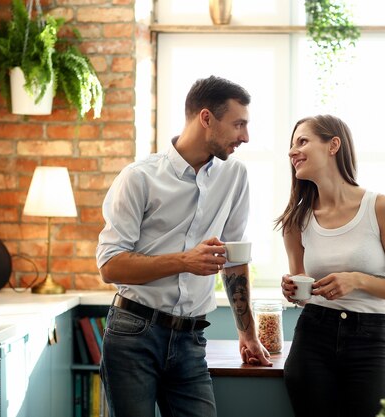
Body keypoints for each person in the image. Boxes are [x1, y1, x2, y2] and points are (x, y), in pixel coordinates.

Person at [96, 75, 272, 417]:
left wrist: (248, 334)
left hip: (191, 339)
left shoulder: (234, 177)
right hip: (134, 334)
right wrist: (185, 261)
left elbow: (235, 260)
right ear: (206, 118)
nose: (245, 137)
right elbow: (110, 266)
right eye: (238, 124)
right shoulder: (139, 178)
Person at [275, 114, 385, 417]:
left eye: (302, 141)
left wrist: (356, 280)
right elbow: (303, 288)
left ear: (333, 145)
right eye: (291, 145)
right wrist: (293, 288)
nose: (292, 151)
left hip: (369, 338)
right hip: (313, 335)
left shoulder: (380, 207)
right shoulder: (296, 220)